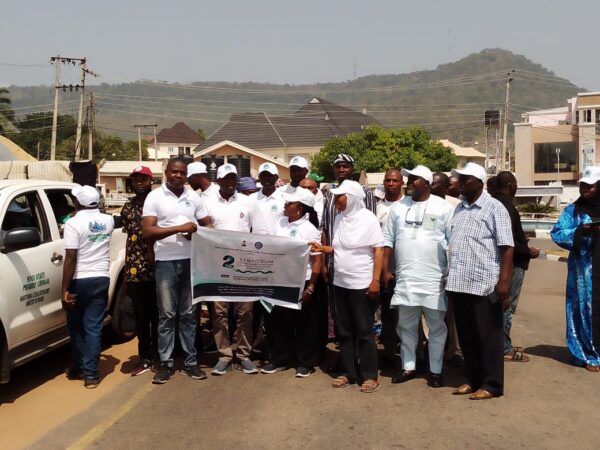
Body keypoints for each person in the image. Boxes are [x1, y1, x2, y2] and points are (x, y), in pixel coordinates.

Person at [446, 162, 514, 400]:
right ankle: (473, 379)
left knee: (488, 337)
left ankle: (492, 384)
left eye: (466, 179)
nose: (461, 183)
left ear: (479, 182)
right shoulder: (460, 208)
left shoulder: (494, 208)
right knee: (467, 337)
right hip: (459, 282)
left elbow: (507, 247)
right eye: (460, 178)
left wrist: (504, 282)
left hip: (484, 283)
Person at [142, 157, 211, 384]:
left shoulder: (194, 197)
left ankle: (191, 362)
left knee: (189, 315)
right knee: (167, 316)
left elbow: (208, 225)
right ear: (166, 172)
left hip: (191, 261)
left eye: (182, 172)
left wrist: (196, 232)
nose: (178, 176)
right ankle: (165, 364)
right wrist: (179, 228)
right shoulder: (155, 197)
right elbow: (148, 231)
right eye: (174, 172)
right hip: (165, 262)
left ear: (186, 175)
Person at [383, 166, 453, 388]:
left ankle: (436, 370)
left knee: (436, 327)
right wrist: (385, 270)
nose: (409, 182)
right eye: (409, 178)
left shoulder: (443, 207)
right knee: (406, 325)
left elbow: (453, 242)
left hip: (434, 278)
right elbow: (387, 241)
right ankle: (408, 366)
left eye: (414, 179)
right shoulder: (398, 208)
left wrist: (451, 274)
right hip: (405, 278)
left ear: (427, 183)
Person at [311, 180, 384, 393]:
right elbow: (341, 248)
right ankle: (349, 371)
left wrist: (375, 280)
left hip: (361, 283)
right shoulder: (339, 218)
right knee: (343, 329)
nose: (335, 200)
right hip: (340, 282)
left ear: (351, 198)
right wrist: (323, 248)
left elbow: (378, 250)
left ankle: (369, 375)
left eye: (339, 196)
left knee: (364, 330)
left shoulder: (368, 219)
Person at [261, 188, 323, 377]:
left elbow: (317, 260)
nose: (285, 205)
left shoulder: (309, 229)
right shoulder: (279, 222)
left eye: (289, 203)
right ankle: (280, 359)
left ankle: (306, 362)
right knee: (279, 321)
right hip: (280, 279)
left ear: (300, 208)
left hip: (302, 281)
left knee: (305, 323)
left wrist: (310, 288)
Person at [203, 163, 258, 376]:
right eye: (225, 178)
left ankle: (244, 355)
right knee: (219, 312)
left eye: (233, 178)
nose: (229, 182)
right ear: (218, 180)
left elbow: (255, 231)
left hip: (244, 264)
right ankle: (224, 356)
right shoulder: (207, 203)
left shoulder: (247, 202)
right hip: (217, 264)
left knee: (246, 311)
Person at [62, 185, 114, 388]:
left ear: (77, 202)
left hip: (79, 279)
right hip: (100, 277)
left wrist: (64, 289)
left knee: (76, 326)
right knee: (93, 327)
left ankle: (81, 367)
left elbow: (71, 257)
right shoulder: (108, 220)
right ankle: (91, 375)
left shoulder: (73, 223)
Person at [320, 153, 377, 342]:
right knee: (339, 309)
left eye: (345, 166)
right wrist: (325, 262)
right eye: (338, 166)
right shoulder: (330, 192)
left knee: (360, 314)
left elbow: (370, 229)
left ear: (353, 169)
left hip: (359, 264)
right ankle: (345, 346)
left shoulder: (364, 192)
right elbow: (325, 227)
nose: (341, 170)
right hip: (335, 260)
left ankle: (361, 348)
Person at [551, 166, 600, 372]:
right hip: (583, 272)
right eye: (583, 186)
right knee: (584, 310)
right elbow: (557, 233)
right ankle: (588, 354)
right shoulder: (573, 211)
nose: (585, 190)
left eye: (590, 186)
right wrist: (582, 230)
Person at [494, 171, 540, 362]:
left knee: (498, 307)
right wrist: (528, 251)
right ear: (510, 185)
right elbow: (509, 242)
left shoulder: (493, 204)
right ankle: (505, 348)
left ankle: (499, 343)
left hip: (499, 263)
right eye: (515, 183)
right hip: (512, 264)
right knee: (506, 306)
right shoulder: (507, 207)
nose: (516, 187)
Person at [121, 166, 158, 376]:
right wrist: (127, 269)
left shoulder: (158, 202)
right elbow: (129, 239)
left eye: (143, 179)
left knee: (158, 315)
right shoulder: (128, 207)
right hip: (135, 268)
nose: (139, 182)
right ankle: (144, 357)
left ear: (150, 180)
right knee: (141, 317)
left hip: (156, 266)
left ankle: (160, 357)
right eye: (136, 179)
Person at [430, 172, 463, 366]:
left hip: (450, 270)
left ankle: (454, 350)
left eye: (434, 183)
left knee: (451, 315)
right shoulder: (423, 205)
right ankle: (433, 350)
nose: (430, 186)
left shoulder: (454, 206)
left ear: (444, 187)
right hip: (429, 269)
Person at [376, 168, 403, 367]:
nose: (391, 184)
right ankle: (390, 352)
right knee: (387, 313)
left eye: (395, 180)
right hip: (382, 269)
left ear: (402, 183)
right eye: (388, 180)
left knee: (406, 315)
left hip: (403, 268)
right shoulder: (376, 207)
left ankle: (410, 353)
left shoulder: (407, 205)